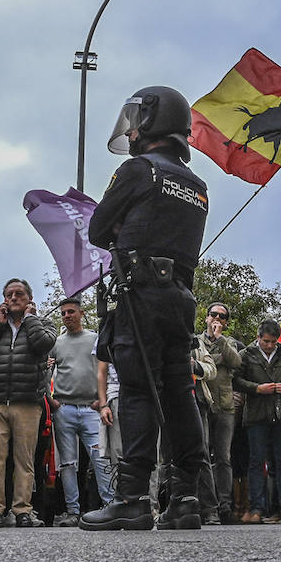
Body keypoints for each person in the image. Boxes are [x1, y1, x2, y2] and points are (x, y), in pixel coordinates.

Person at [80, 86, 211, 531]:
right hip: (181, 298)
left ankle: (132, 498)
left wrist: (122, 222)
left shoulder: (138, 169)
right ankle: (186, 497)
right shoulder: (196, 184)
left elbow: (99, 229)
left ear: (153, 121)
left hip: (140, 295)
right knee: (179, 390)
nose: (131, 130)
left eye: (137, 119)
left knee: (137, 388)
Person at [0, 278, 57, 528]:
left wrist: (30, 319)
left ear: (29, 299)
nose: (14, 298)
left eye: (19, 294)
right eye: (9, 294)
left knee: (24, 460)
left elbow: (43, 344)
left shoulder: (43, 324)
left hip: (28, 402)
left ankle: (22, 510)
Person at [231, 321, 281, 524]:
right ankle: (256, 509)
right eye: (266, 341)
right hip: (256, 417)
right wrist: (257, 388)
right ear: (258, 337)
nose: (270, 345)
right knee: (256, 462)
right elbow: (235, 379)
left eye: (273, 342)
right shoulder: (247, 355)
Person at [50, 296, 114, 526]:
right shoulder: (56, 342)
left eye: (71, 312)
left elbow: (105, 369)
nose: (67, 316)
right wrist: (50, 400)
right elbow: (46, 371)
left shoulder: (95, 340)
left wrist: (102, 399)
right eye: (64, 313)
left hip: (91, 409)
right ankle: (72, 511)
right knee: (67, 463)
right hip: (63, 408)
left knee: (100, 458)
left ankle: (110, 505)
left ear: (81, 313)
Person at [197, 302, 242, 525]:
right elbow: (201, 366)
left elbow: (235, 361)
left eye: (222, 316)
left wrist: (220, 340)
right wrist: (217, 360)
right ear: (206, 318)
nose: (217, 318)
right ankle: (208, 507)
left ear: (225, 322)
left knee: (223, 458)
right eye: (213, 314)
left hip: (225, 406)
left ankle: (225, 506)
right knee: (202, 455)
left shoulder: (230, 342)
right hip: (202, 404)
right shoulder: (196, 342)